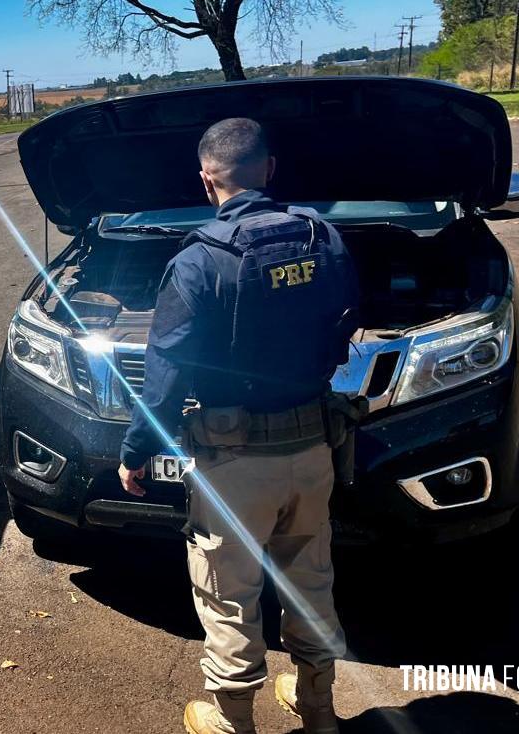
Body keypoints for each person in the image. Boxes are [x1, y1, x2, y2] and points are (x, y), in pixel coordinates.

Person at [116, 118, 360, 734]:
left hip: (235, 465)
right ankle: (319, 711)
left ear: (206, 181)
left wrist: (136, 451)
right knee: (311, 579)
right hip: (313, 448)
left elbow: (166, 375)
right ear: (270, 169)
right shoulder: (323, 238)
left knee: (228, 595)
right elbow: (346, 322)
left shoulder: (199, 261)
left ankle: (231, 724)